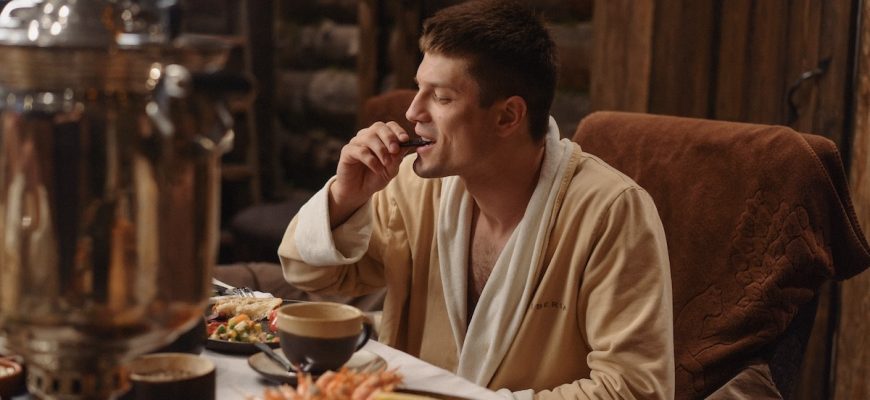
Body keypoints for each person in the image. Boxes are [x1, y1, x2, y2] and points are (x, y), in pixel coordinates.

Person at [278, 1, 675, 398]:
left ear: (507, 116)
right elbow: (312, 275)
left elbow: (635, 390)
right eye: (419, 89)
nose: (413, 111)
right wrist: (345, 197)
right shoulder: (413, 189)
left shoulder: (611, 212)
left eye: (441, 97)